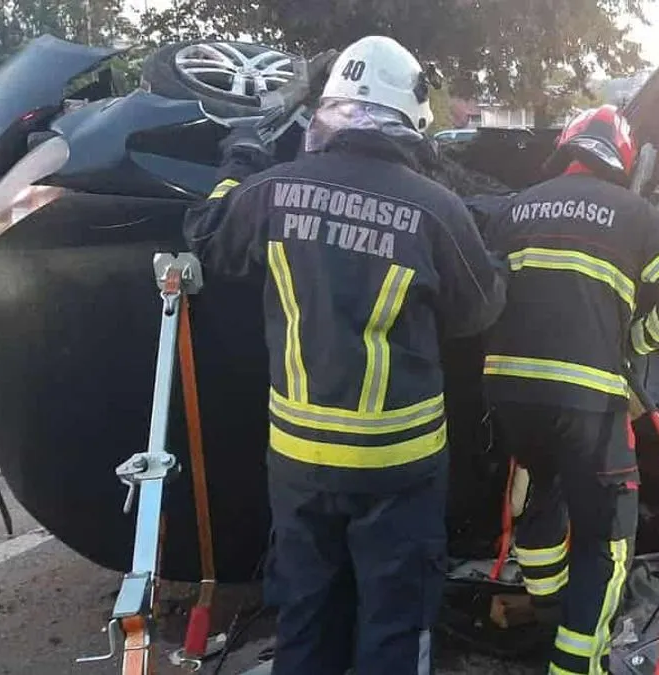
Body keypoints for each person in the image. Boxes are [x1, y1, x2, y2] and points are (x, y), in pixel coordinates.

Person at [182, 36, 506, 675]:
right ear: (412, 120)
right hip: (398, 460)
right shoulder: (434, 208)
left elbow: (206, 238)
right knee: (393, 619)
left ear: (330, 110)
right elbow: (477, 313)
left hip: (300, 458)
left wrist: (238, 165)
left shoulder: (270, 192)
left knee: (305, 613)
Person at [483, 105, 659, 675]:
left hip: (507, 394)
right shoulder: (640, 214)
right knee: (607, 538)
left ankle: (549, 606)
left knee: (540, 493)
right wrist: (635, 342)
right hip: (589, 401)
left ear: (567, 148)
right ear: (622, 160)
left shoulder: (512, 208)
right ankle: (576, 664)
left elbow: (481, 292)